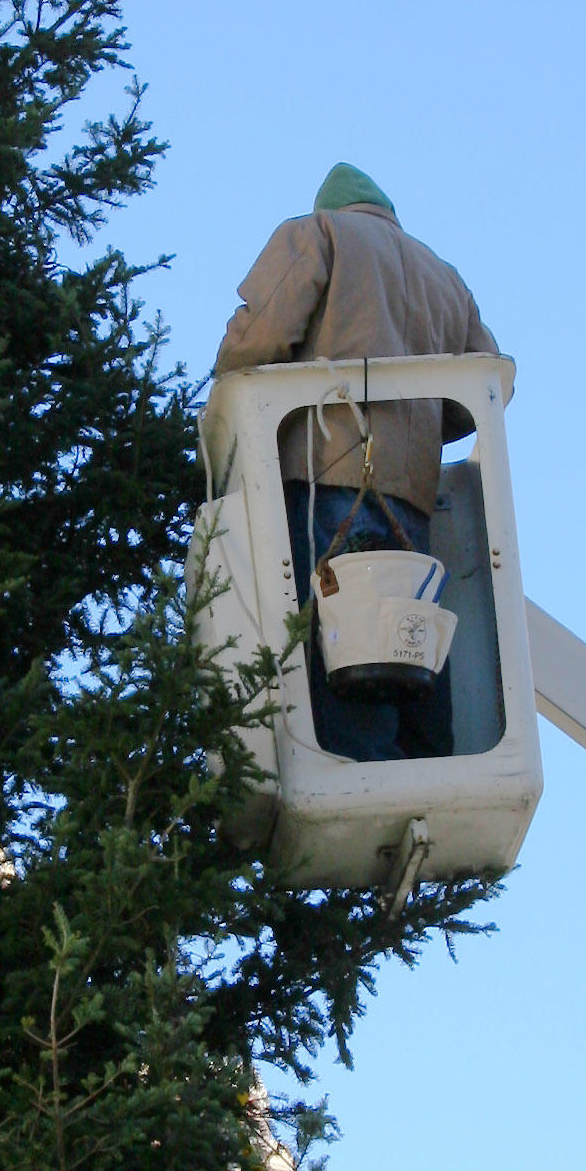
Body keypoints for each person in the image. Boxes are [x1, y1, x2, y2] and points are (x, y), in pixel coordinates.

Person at [215, 163, 506, 761]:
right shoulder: (445, 279)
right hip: (413, 495)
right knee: (405, 626)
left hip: (325, 475)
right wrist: (420, 426)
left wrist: (222, 383)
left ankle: (360, 769)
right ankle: (424, 765)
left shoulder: (319, 233)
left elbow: (260, 335)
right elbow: (486, 388)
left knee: (341, 628)